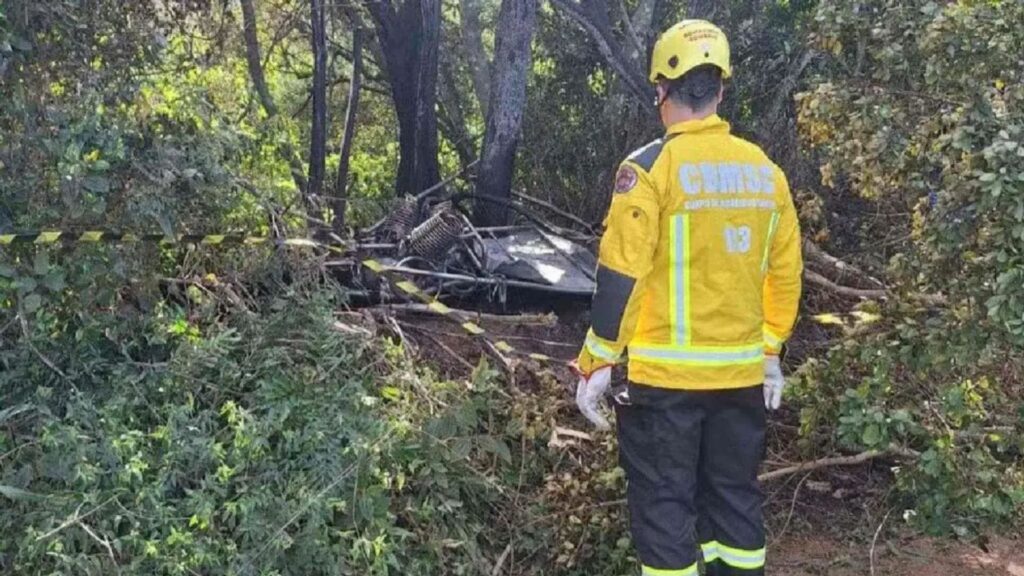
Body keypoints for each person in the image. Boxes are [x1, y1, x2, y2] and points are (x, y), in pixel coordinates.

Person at [570, 19, 803, 576]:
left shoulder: (649, 170)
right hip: (742, 380)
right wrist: (770, 351)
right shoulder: (766, 175)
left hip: (666, 388)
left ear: (660, 91)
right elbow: (786, 273)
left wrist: (597, 361)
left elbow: (621, 275)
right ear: (721, 90)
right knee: (735, 505)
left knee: (666, 510)